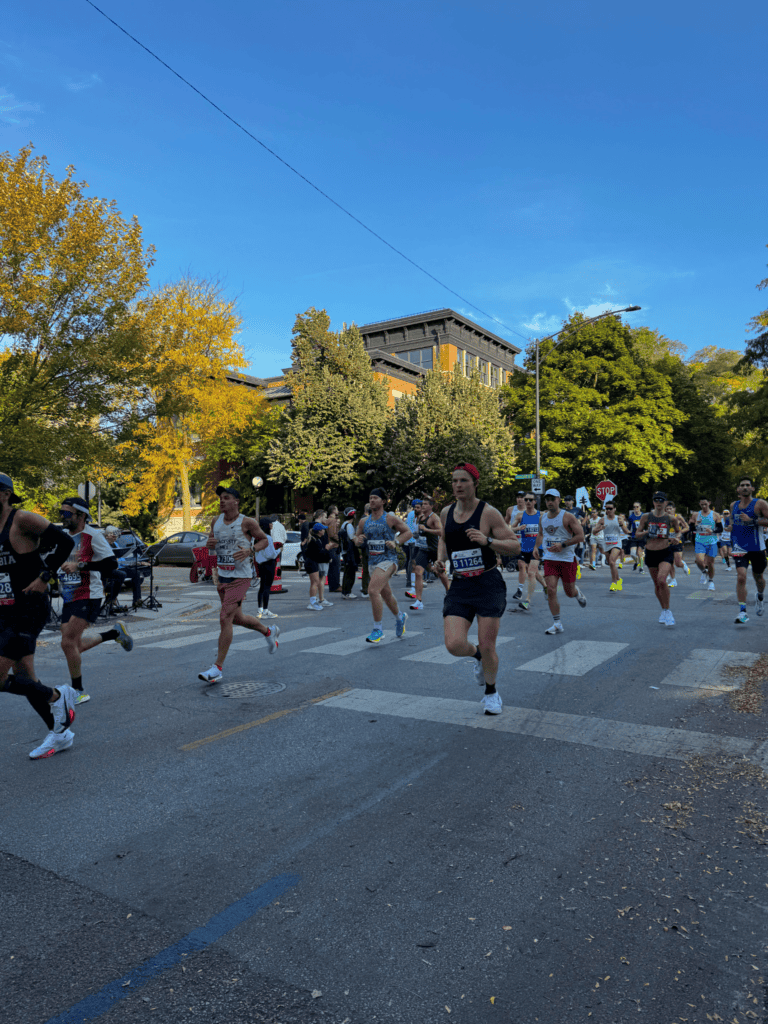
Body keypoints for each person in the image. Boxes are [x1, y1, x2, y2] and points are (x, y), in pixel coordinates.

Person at [0, 473, 80, 759]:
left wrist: (45, 577)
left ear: (6, 494)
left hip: (28, 607)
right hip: (4, 610)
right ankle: (60, 733)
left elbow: (65, 542)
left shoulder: (21, 519)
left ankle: (58, 695)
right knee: (24, 676)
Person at [436, 463, 519, 715]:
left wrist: (488, 541)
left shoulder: (489, 513)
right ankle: (478, 659)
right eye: (454, 481)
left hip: (487, 583)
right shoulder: (446, 512)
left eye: (463, 481)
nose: (457, 485)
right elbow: (443, 538)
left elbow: (515, 546)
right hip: (460, 583)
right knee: (454, 644)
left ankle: (491, 693)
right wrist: (441, 560)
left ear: (474, 483)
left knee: (488, 643)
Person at [198, 486, 278, 682]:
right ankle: (269, 631)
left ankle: (217, 668)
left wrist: (250, 550)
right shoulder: (215, 521)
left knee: (225, 617)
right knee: (236, 619)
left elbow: (264, 541)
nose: (222, 501)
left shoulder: (247, 522)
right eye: (220, 498)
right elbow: (212, 542)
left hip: (241, 578)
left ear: (236, 502)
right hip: (223, 576)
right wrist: (210, 544)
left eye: (226, 498)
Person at [58, 497, 133, 706]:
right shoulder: (64, 536)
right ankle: (115, 633)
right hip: (69, 594)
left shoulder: (94, 536)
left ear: (81, 516)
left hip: (89, 594)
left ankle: (78, 691)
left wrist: (80, 567)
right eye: (61, 513)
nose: (62, 517)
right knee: (73, 646)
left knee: (67, 642)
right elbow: (68, 561)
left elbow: (111, 564)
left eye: (66, 513)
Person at [353, 488, 411, 643]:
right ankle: (400, 617)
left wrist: (395, 542)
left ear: (383, 501)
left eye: (375, 498)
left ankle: (378, 629)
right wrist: (357, 540)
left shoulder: (390, 518)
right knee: (385, 594)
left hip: (389, 559)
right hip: (372, 561)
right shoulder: (364, 521)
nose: (372, 501)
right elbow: (356, 536)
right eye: (370, 498)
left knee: (372, 590)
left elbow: (408, 532)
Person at [534, 489, 587, 634]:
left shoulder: (568, 517)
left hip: (567, 559)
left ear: (559, 500)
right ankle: (557, 623)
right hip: (550, 559)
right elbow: (540, 533)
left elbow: (580, 536)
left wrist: (563, 545)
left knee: (569, 592)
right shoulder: (543, 518)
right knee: (551, 590)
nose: (550, 502)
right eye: (547, 499)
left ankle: (577, 593)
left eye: (552, 499)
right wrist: (536, 547)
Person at [730, 477, 768, 624]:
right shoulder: (734, 505)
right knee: (741, 577)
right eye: (742, 485)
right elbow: (732, 522)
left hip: (757, 547)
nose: (745, 487)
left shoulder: (760, 504)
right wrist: (729, 533)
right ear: (738, 489)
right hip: (739, 547)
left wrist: (752, 521)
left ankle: (759, 596)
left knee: (759, 578)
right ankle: (742, 612)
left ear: (752, 488)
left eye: (747, 485)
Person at [634, 491, 676, 626]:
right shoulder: (646, 517)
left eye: (661, 500)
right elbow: (637, 534)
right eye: (656, 500)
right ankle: (663, 609)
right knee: (657, 584)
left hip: (665, 552)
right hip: (651, 552)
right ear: (653, 502)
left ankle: (668, 610)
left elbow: (680, 531)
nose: (658, 502)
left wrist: (677, 538)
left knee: (662, 580)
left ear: (665, 503)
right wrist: (647, 532)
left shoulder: (670, 518)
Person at [510, 493, 545, 611]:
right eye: (526, 500)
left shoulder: (541, 515)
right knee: (534, 573)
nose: (528, 501)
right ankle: (545, 587)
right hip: (524, 548)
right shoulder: (520, 516)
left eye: (531, 500)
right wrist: (517, 528)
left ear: (535, 501)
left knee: (530, 573)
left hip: (537, 548)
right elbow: (509, 528)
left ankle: (527, 601)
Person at [409, 496, 442, 611]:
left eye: (425, 504)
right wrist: (417, 534)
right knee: (418, 572)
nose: (423, 506)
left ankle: (449, 592)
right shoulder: (420, 517)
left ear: (431, 506)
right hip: (423, 549)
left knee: (441, 574)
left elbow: (441, 532)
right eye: (422, 504)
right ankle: (418, 601)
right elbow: (420, 531)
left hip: (434, 549)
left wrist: (427, 530)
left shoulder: (434, 518)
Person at [104, 525, 143, 610]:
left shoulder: (115, 544)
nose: (115, 538)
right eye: (114, 536)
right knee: (120, 574)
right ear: (108, 535)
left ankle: (137, 600)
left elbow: (121, 559)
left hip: (120, 567)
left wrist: (134, 563)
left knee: (136, 573)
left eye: (116, 536)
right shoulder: (104, 545)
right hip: (110, 568)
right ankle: (111, 600)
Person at [595, 502, 630, 592]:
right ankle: (618, 579)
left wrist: (622, 524)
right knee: (612, 564)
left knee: (611, 562)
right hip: (607, 544)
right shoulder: (602, 519)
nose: (608, 510)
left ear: (614, 509)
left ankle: (613, 583)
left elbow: (626, 531)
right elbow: (594, 531)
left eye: (610, 508)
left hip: (616, 543)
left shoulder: (619, 519)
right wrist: (600, 528)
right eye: (607, 509)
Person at [303, 513, 334, 611]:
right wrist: (327, 549)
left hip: (313, 562)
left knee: (315, 582)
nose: (324, 530)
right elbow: (318, 553)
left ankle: (314, 601)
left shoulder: (317, 540)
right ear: (319, 531)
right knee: (315, 582)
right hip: (311, 562)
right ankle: (312, 602)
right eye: (323, 529)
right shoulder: (315, 541)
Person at [692, 498, 721, 591]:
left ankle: (711, 581)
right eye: (702, 505)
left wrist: (712, 530)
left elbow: (721, 529)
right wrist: (696, 525)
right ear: (699, 504)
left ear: (709, 503)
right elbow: (690, 527)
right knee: (699, 561)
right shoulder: (696, 515)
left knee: (710, 563)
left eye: (705, 504)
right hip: (700, 540)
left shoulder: (715, 515)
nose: (704, 506)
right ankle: (704, 572)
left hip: (712, 541)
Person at [255, 516, 279, 618]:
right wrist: (279, 550)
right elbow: (271, 554)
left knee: (262, 587)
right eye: (271, 523)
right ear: (267, 525)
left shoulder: (256, 537)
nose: (272, 525)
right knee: (267, 588)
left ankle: (260, 610)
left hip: (261, 564)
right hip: (269, 564)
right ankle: (265, 610)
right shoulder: (267, 538)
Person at [505, 491, 527, 599]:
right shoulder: (510, 510)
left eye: (522, 497)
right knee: (522, 566)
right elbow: (505, 525)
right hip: (515, 541)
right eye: (518, 497)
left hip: (528, 542)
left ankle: (520, 590)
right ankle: (545, 586)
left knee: (524, 566)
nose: (520, 499)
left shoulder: (530, 510)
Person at [665, 502, 690, 586]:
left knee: (678, 563)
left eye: (670, 509)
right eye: (667, 509)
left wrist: (679, 533)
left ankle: (683, 565)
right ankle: (673, 580)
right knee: (669, 562)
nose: (668, 510)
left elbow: (687, 527)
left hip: (677, 541)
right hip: (668, 542)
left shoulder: (678, 517)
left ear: (674, 509)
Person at [340, 507, 359, 599]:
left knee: (347, 572)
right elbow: (353, 539)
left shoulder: (343, 524)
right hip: (349, 552)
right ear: (353, 515)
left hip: (345, 552)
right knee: (350, 573)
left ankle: (345, 591)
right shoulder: (349, 526)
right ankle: (348, 592)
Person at [404, 499, 421, 597]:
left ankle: (410, 581)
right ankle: (415, 583)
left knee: (410, 562)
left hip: (409, 540)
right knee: (414, 562)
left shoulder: (410, 514)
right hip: (415, 541)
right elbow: (415, 528)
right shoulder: (415, 515)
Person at [326, 505, 342, 593]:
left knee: (332, 567)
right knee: (335, 566)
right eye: (337, 509)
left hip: (329, 545)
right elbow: (332, 534)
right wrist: (340, 540)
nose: (338, 511)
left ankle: (333, 586)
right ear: (333, 511)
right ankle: (335, 586)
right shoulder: (332, 520)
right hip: (333, 545)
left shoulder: (327, 520)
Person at [626, 501, 646, 573]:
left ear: (640, 507)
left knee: (640, 553)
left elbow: (647, 525)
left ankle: (641, 568)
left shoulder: (644, 516)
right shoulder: (631, 516)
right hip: (634, 537)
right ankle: (637, 562)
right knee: (632, 553)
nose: (636, 508)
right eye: (634, 507)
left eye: (637, 507)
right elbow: (628, 526)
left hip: (642, 536)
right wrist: (628, 533)